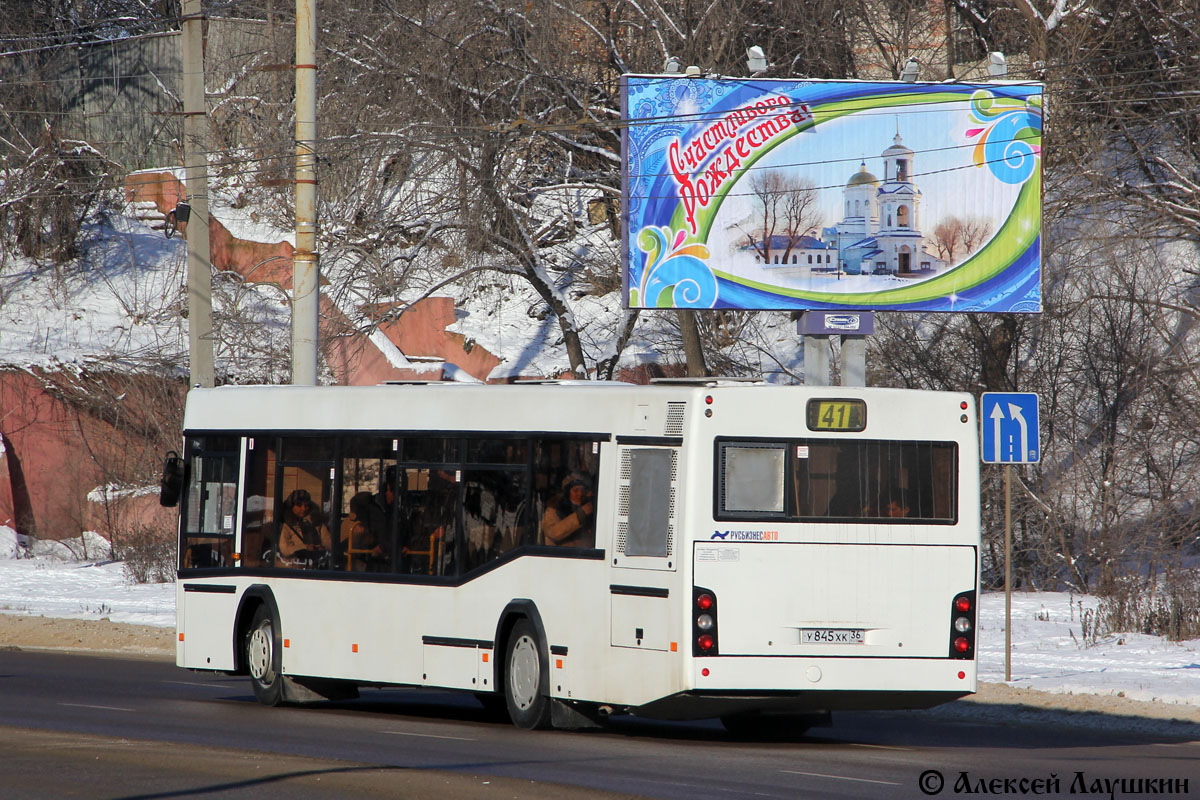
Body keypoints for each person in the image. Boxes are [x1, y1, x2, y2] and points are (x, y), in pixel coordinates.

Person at [278, 488, 333, 566]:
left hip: (317, 566)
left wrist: (321, 548)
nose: (303, 509)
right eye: (299, 505)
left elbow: (329, 544)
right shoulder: (286, 525)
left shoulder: (318, 524)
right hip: (294, 567)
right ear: (291, 506)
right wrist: (304, 547)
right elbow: (284, 549)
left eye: (306, 505)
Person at [541, 473, 595, 547]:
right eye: (576, 490)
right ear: (567, 492)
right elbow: (554, 532)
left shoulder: (590, 509)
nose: (580, 494)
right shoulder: (553, 510)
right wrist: (580, 515)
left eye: (583, 491)